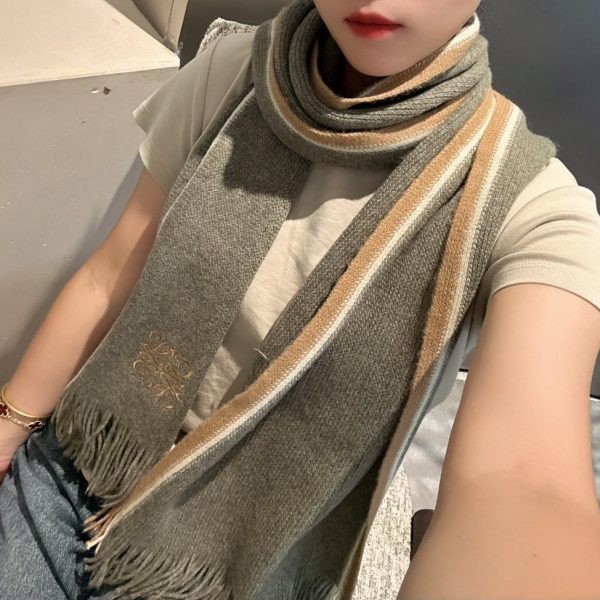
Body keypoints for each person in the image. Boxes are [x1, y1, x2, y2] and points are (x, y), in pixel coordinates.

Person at [1, 0, 600, 598]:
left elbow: (526, 479)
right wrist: (8, 426)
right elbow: (108, 276)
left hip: (234, 568)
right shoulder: (232, 75)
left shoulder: (527, 203)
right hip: (85, 468)